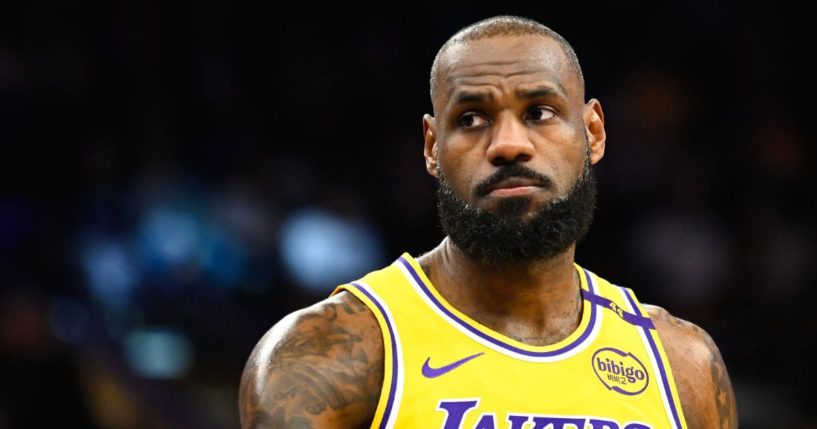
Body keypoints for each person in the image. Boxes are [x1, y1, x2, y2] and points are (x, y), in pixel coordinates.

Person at [239, 15, 738, 429]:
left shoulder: (682, 365)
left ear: (593, 132)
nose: (507, 145)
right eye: (472, 118)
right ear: (433, 148)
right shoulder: (327, 356)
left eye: (539, 112)